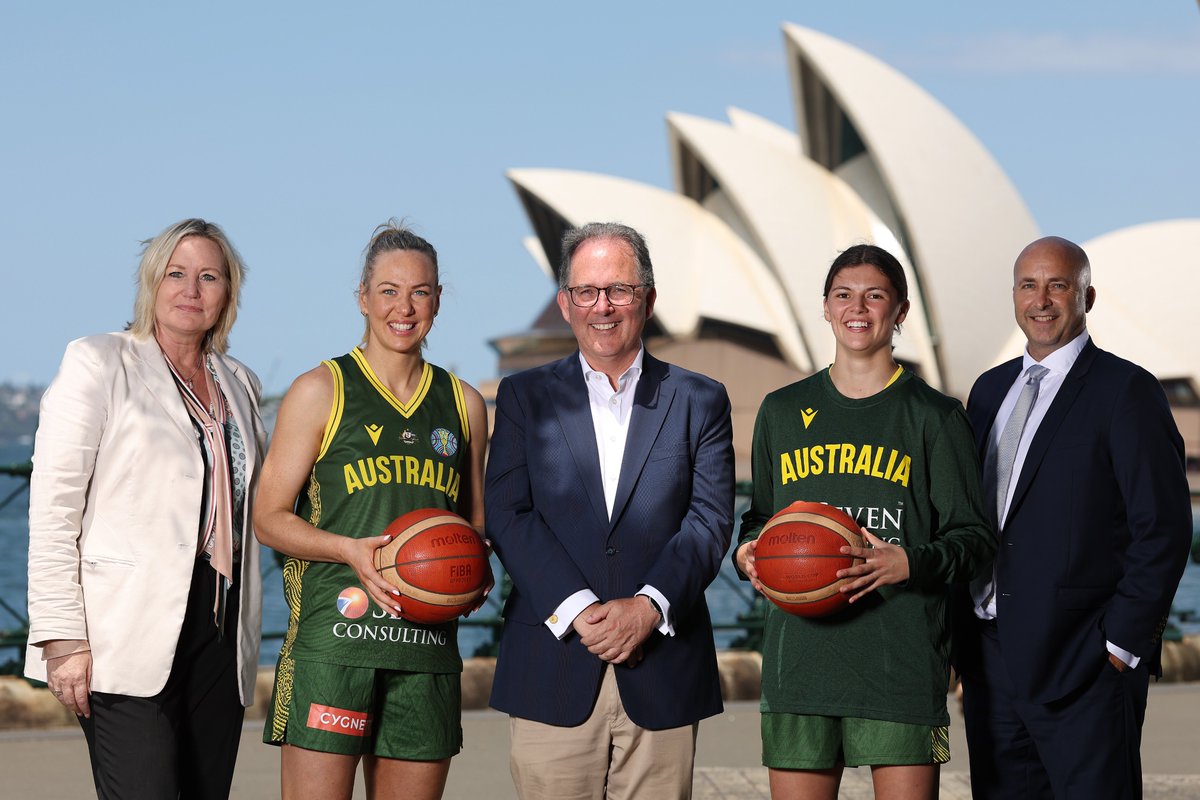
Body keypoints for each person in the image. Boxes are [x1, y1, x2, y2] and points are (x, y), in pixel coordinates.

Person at [735, 244, 995, 800]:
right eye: (843, 295)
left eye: (875, 296)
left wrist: (910, 561)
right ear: (825, 308)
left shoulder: (936, 416)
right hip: (799, 663)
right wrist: (748, 551)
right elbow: (759, 519)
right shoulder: (781, 412)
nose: (859, 308)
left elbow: (975, 539)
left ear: (900, 311)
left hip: (899, 661)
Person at [485, 222, 734, 799]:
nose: (603, 306)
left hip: (663, 666)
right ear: (564, 303)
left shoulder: (700, 398)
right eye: (587, 291)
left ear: (647, 299)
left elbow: (710, 519)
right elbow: (508, 514)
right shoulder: (524, 396)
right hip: (554, 662)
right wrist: (579, 611)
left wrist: (649, 606)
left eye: (619, 290)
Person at [25, 218, 265, 799]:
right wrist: (62, 638)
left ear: (228, 292)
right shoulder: (99, 361)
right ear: (151, 283)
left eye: (209, 276)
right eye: (175, 274)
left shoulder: (242, 383)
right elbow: (55, 507)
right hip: (122, 635)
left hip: (219, 634)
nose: (191, 289)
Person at [255, 221, 488, 800]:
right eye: (388, 290)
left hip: (427, 652)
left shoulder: (464, 404)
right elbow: (268, 517)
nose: (403, 307)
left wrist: (472, 572)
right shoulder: (320, 390)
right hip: (337, 641)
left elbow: (476, 526)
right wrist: (345, 549)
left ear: (437, 300)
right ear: (363, 298)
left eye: (420, 291)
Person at [956, 236, 1192, 799]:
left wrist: (1119, 646)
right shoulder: (989, 392)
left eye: (1058, 285)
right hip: (991, 662)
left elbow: (1162, 528)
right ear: (1014, 295)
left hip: (1083, 664)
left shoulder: (1126, 390)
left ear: (1087, 296)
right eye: (1028, 285)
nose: (1042, 300)